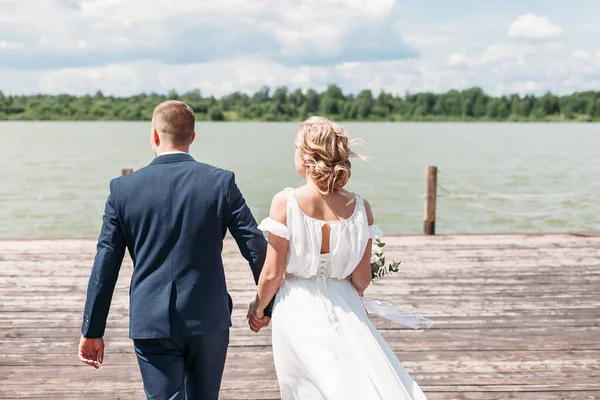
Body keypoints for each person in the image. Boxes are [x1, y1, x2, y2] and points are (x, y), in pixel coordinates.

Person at [78, 100, 271, 399]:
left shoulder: (122, 189)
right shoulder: (221, 182)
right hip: (208, 316)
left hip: (150, 320)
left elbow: (105, 266)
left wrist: (93, 329)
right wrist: (266, 306)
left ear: (154, 136)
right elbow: (256, 247)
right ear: (192, 137)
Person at [248, 116, 428, 399]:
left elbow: (272, 273)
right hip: (345, 303)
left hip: (297, 305)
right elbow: (361, 279)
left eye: (295, 148)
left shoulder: (286, 202)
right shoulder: (359, 207)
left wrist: (258, 309)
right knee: (355, 381)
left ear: (307, 156)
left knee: (306, 387)